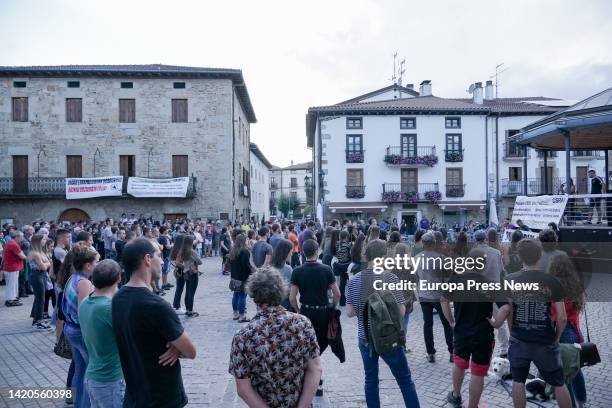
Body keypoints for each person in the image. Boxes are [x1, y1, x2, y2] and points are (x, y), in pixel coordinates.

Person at [112, 238, 197, 408]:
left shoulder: (117, 298)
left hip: (135, 395)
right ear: (147, 259)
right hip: (160, 398)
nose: (162, 259)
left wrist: (174, 346)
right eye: (159, 254)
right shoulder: (156, 306)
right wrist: (176, 346)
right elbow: (191, 351)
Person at [490, 239, 572, 408]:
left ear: (519, 257)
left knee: (518, 381)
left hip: (520, 340)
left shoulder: (509, 280)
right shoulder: (552, 281)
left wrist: (512, 332)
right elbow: (562, 317)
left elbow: (508, 311)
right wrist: (555, 338)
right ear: (540, 255)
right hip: (546, 341)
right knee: (559, 383)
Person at [229, 268, 322, 408]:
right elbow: (315, 369)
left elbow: (243, 388)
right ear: (281, 291)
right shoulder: (303, 323)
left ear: (253, 294)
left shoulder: (243, 336)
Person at [346, 239, 421, 408]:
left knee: (371, 380)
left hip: (365, 337)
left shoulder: (355, 280)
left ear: (367, 256)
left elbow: (350, 312)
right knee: (404, 379)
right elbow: (401, 311)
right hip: (389, 336)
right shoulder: (391, 278)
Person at [441, 248, 510, 408]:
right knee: (478, 372)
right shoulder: (489, 284)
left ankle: (456, 396)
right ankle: (473, 405)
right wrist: (496, 323)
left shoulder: (456, 280)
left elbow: (443, 300)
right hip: (483, 335)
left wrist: (451, 321)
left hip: (461, 333)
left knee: (459, 364)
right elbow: (506, 308)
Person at [290, 239, 340, 397]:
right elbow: (337, 293)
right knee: (318, 347)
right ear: (317, 251)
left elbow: (292, 297)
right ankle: (316, 381)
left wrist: (298, 310)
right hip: (323, 312)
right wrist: (333, 306)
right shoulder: (326, 269)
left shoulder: (297, 271)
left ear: (303, 252)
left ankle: (312, 379)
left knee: (308, 347)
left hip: (306, 312)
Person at [79, 260, 125, 408]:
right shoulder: (110, 308)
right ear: (119, 279)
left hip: (93, 376)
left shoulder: (86, 302)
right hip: (110, 380)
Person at [548, 255, 588, 408]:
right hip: (574, 330)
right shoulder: (576, 285)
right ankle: (582, 401)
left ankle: (570, 404)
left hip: (561, 330)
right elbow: (575, 312)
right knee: (575, 369)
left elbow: (558, 316)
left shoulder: (552, 286)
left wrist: (556, 337)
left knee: (565, 375)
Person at [62, 242, 98, 408]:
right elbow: (85, 312)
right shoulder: (84, 282)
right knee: (89, 372)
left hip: (71, 329)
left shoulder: (73, 277)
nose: (97, 265)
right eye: (96, 262)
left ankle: (78, 404)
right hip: (79, 331)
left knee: (81, 369)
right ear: (88, 265)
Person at [415, 232, 454, 363]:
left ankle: (430, 353)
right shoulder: (441, 258)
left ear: (423, 243)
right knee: (446, 323)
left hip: (424, 295)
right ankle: (452, 352)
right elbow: (448, 278)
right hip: (439, 295)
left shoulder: (416, 258)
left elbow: (415, 278)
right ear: (434, 243)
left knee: (428, 324)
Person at [171, 234, 202, 317]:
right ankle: (190, 311)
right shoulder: (191, 251)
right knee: (191, 293)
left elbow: (177, 261)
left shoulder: (182, 251)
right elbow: (199, 262)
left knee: (187, 292)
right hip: (193, 273)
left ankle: (188, 310)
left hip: (185, 273)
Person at [28, 234, 52, 329]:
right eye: (44, 239)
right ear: (38, 241)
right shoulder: (35, 253)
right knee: (40, 299)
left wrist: (46, 263)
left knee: (39, 298)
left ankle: (35, 318)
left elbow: (48, 262)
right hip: (37, 275)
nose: (45, 241)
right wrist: (47, 263)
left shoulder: (40, 251)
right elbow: (44, 266)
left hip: (41, 275)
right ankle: (38, 321)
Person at [229, 234, 253, 322]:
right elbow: (246, 266)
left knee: (235, 295)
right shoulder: (244, 251)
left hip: (235, 276)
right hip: (243, 277)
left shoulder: (233, 250)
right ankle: (242, 316)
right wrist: (252, 272)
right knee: (242, 296)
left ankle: (235, 314)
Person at [268, 238, 294, 311]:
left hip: (271, 304)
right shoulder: (288, 269)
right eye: (291, 252)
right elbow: (290, 291)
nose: (291, 254)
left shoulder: (270, 266)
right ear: (286, 252)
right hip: (284, 304)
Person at [3, 231, 27, 307]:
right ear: (17, 237)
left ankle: (12, 298)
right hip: (12, 267)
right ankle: (10, 300)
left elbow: (21, 253)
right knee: (11, 285)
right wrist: (28, 258)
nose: (22, 238)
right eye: (21, 237)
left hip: (12, 267)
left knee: (13, 285)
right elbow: (22, 256)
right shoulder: (13, 244)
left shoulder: (11, 242)